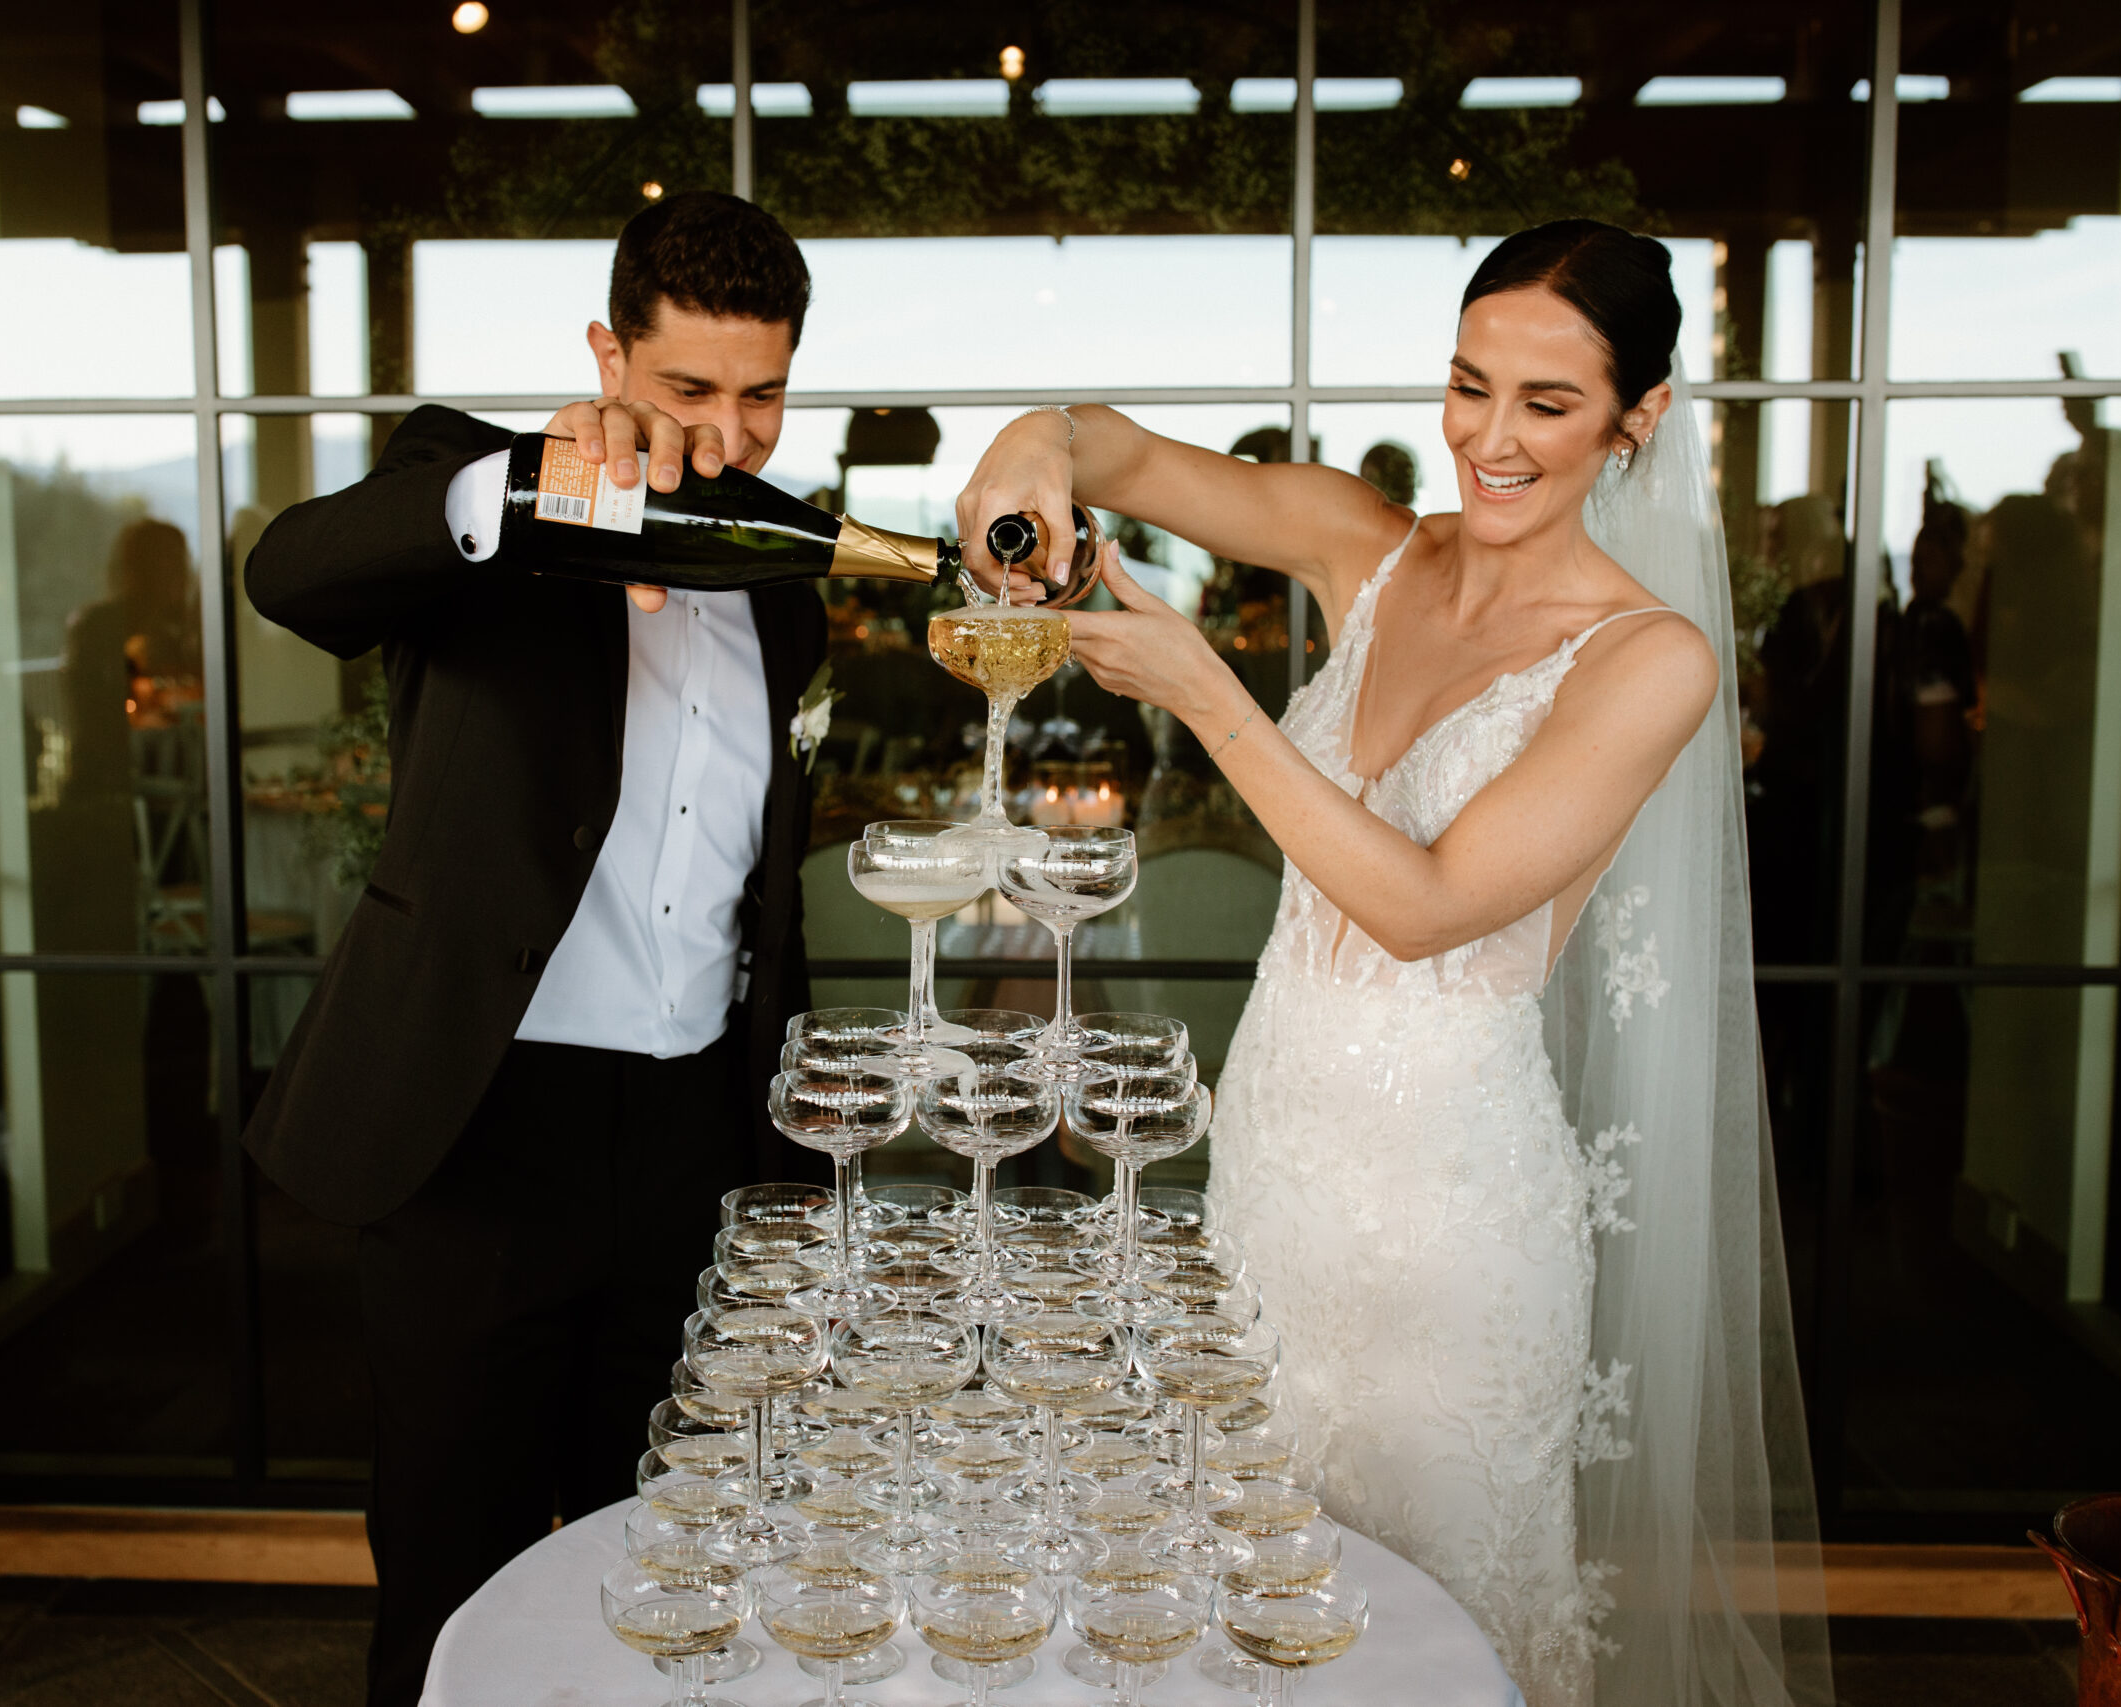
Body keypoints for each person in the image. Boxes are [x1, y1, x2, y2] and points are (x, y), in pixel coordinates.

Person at [956, 220, 1827, 1707]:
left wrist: (1210, 699)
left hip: (1452, 1238)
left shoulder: (1647, 659)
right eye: (1468, 385)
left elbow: (1427, 905)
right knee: (1237, 1612)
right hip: (1271, 1187)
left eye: (1546, 404)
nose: (1489, 437)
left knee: (1438, 1649)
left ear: (1641, 420)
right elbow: (1129, 459)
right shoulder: (1364, 547)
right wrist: (1035, 451)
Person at [239, 190, 826, 1707]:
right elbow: (289, 574)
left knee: (681, 1578)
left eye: (760, 394)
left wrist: (794, 1149)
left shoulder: (783, 581)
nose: (725, 430)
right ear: (607, 354)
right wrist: (530, 484)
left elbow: (764, 889)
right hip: (478, 1132)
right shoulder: (469, 495)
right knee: (452, 1594)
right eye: (687, 389)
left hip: (697, 1142)